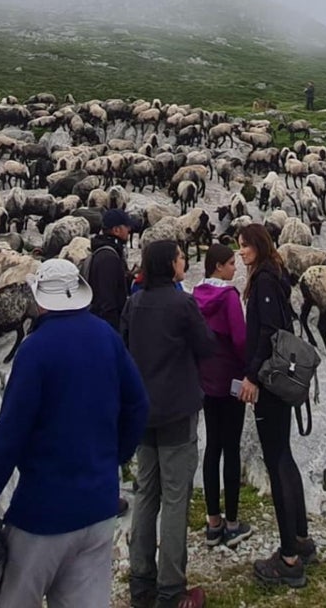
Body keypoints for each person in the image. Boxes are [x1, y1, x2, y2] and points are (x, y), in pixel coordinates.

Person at [0, 259, 149, 608]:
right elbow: (138, 405)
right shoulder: (106, 335)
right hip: (99, 508)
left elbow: (9, 436)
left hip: (42, 515)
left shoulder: (35, 349)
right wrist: (113, 459)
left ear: (39, 298)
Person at [122, 241, 214, 608]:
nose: (184, 262)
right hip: (177, 410)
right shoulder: (182, 303)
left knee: (146, 493)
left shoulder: (134, 303)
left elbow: (124, 347)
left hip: (143, 412)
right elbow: (206, 346)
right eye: (180, 257)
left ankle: (140, 582)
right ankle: (171, 589)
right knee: (175, 498)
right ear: (168, 264)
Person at [237, 223, 314, 587]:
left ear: (258, 245)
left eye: (245, 247)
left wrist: (252, 374)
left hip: (268, 381)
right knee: (284, 455)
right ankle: (301, 537)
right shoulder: (275, 274)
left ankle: (288, 557)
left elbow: (268, 331)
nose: (241, 253)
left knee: (277, 459)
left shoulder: (265, 279)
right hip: (276, 380)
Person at [193, 243, 255, 549]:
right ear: (218, 265)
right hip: (230, 378)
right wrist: (248, 369)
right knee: (231, 448)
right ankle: (232, 522)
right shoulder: (229, 297)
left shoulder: (195, 295)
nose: (235, 268)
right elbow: (241, 337)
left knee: (212, 446)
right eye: (231, 263)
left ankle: (212, 521)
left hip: (207, 380)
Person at [88, 208, 136, 331]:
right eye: (126, 226)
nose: (129, 230)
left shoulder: (110, 252)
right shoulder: (108, 258)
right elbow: (107, 302)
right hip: (106, 328)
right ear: (116, 230)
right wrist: (113, 335)